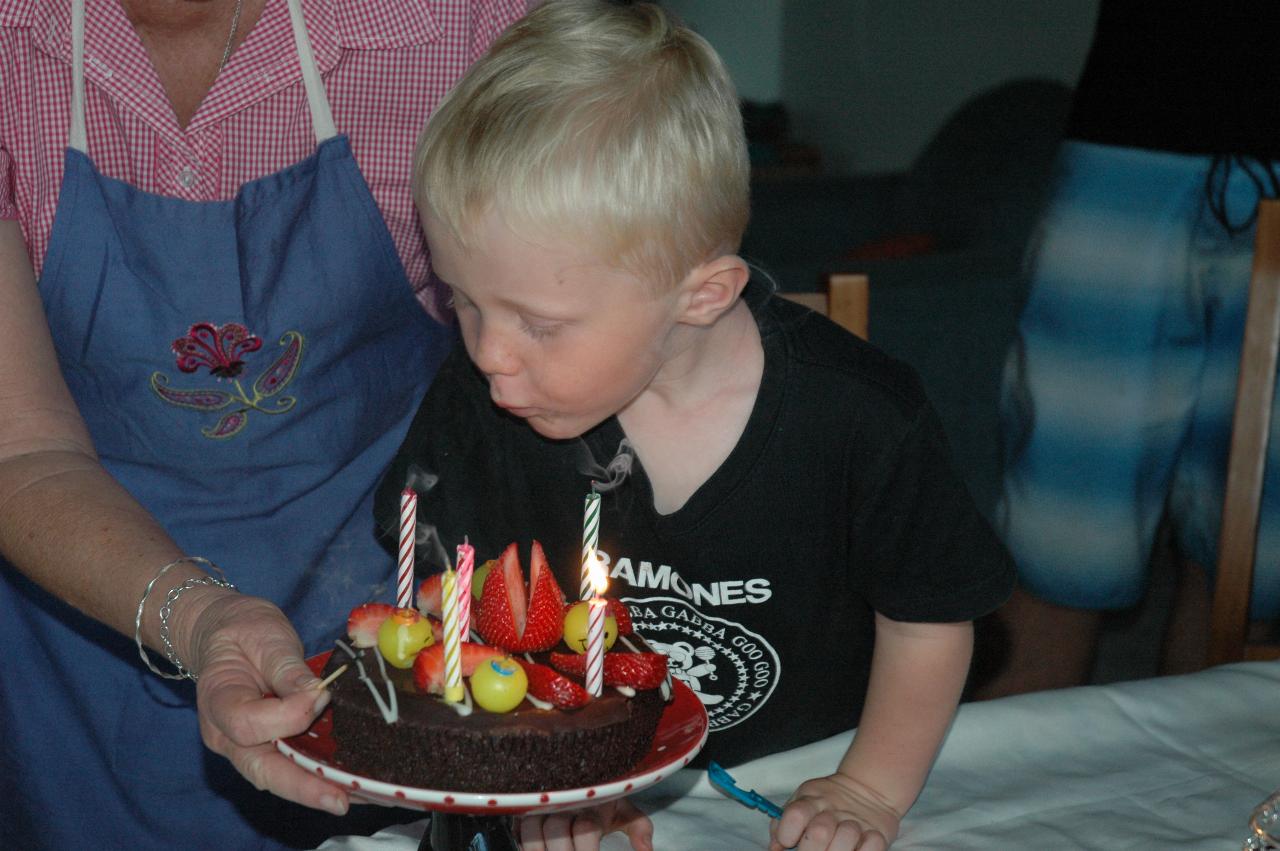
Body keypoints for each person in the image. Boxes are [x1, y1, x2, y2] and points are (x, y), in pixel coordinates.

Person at [373, 2, 1016, 849]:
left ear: (703, 295)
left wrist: (867, 786)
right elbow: (475, 626)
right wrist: (556, 777)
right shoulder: (480, 407)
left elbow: (928, 618)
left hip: (798, 780)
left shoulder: (862, 419)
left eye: (540, 322)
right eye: (463, 300)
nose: (490, 353)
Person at [0, 1, 526, 849]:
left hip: (393, 651)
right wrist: (205, 620)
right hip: (73, 654)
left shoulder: (459, 25)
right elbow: (19, 444)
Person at [976, 0, 1280, 699]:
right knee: (1059, 539)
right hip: (1134, 130)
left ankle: (1192, 798)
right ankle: (1002, 794)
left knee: (1245, 564)